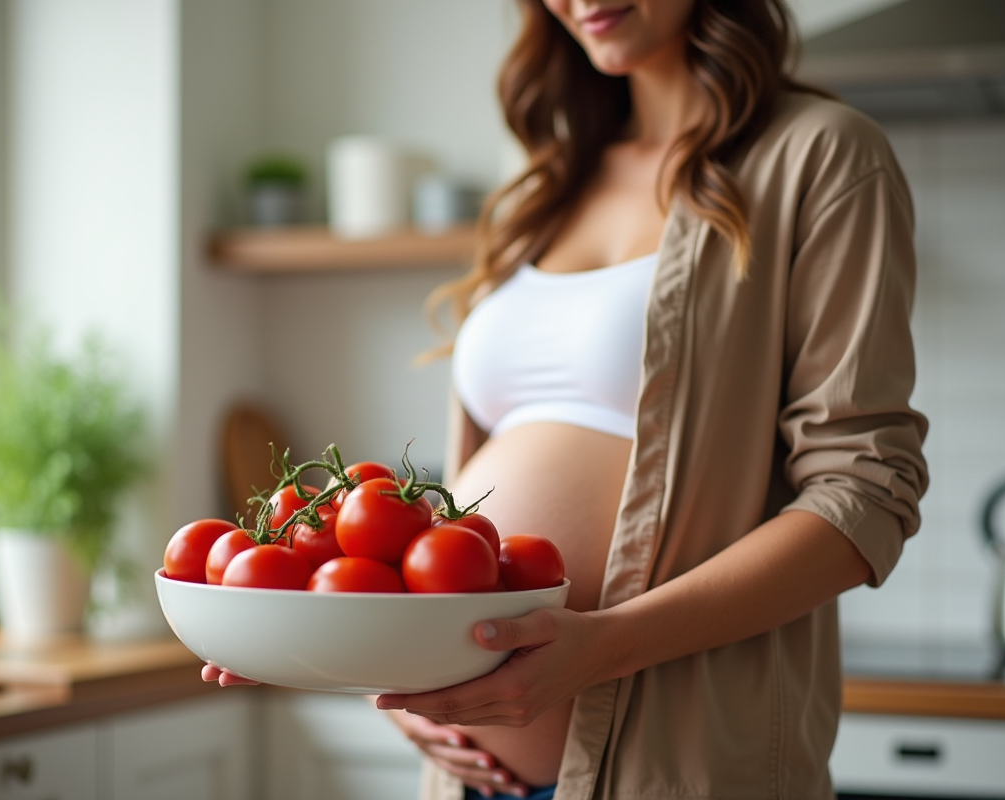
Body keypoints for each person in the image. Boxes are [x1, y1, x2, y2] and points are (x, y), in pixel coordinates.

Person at [205, 1, 929, 798]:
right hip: (473, 779)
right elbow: (451, 518)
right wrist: (399, 679)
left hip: (675, 766)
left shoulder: (821, 157)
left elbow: (865, 495)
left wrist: (602, 646)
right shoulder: (539, 189)